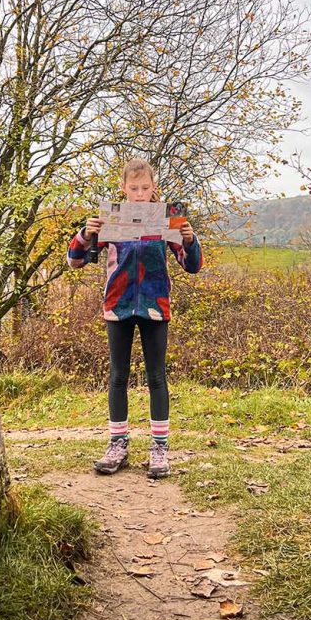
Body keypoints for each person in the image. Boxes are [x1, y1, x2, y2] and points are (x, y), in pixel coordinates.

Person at [66, 158, 202, 479]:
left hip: (155, 306)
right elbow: (75, 261)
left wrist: (189, 239)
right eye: (133, 188)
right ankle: (118, 445)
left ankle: (159, 449)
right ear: (123, 188)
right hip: (118, 305)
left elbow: (192, 265)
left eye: (144, 188)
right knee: (118, 376)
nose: (139, 193)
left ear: (153, 187)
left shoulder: (168, 220)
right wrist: (86, 234)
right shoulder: (110, 218)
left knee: (157, 377)